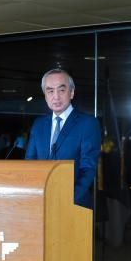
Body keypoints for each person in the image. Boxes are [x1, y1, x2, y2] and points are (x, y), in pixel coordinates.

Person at [25, 68, 101, 208]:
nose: (56, 96)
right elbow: (30, 163)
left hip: (73, 206)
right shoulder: (38, 124)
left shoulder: (88, 123)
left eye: (61, 90)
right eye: (50, 91)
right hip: (40, 204)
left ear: (71, 92)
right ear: (45, 95)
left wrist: (66, 199)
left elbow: (88, 168)